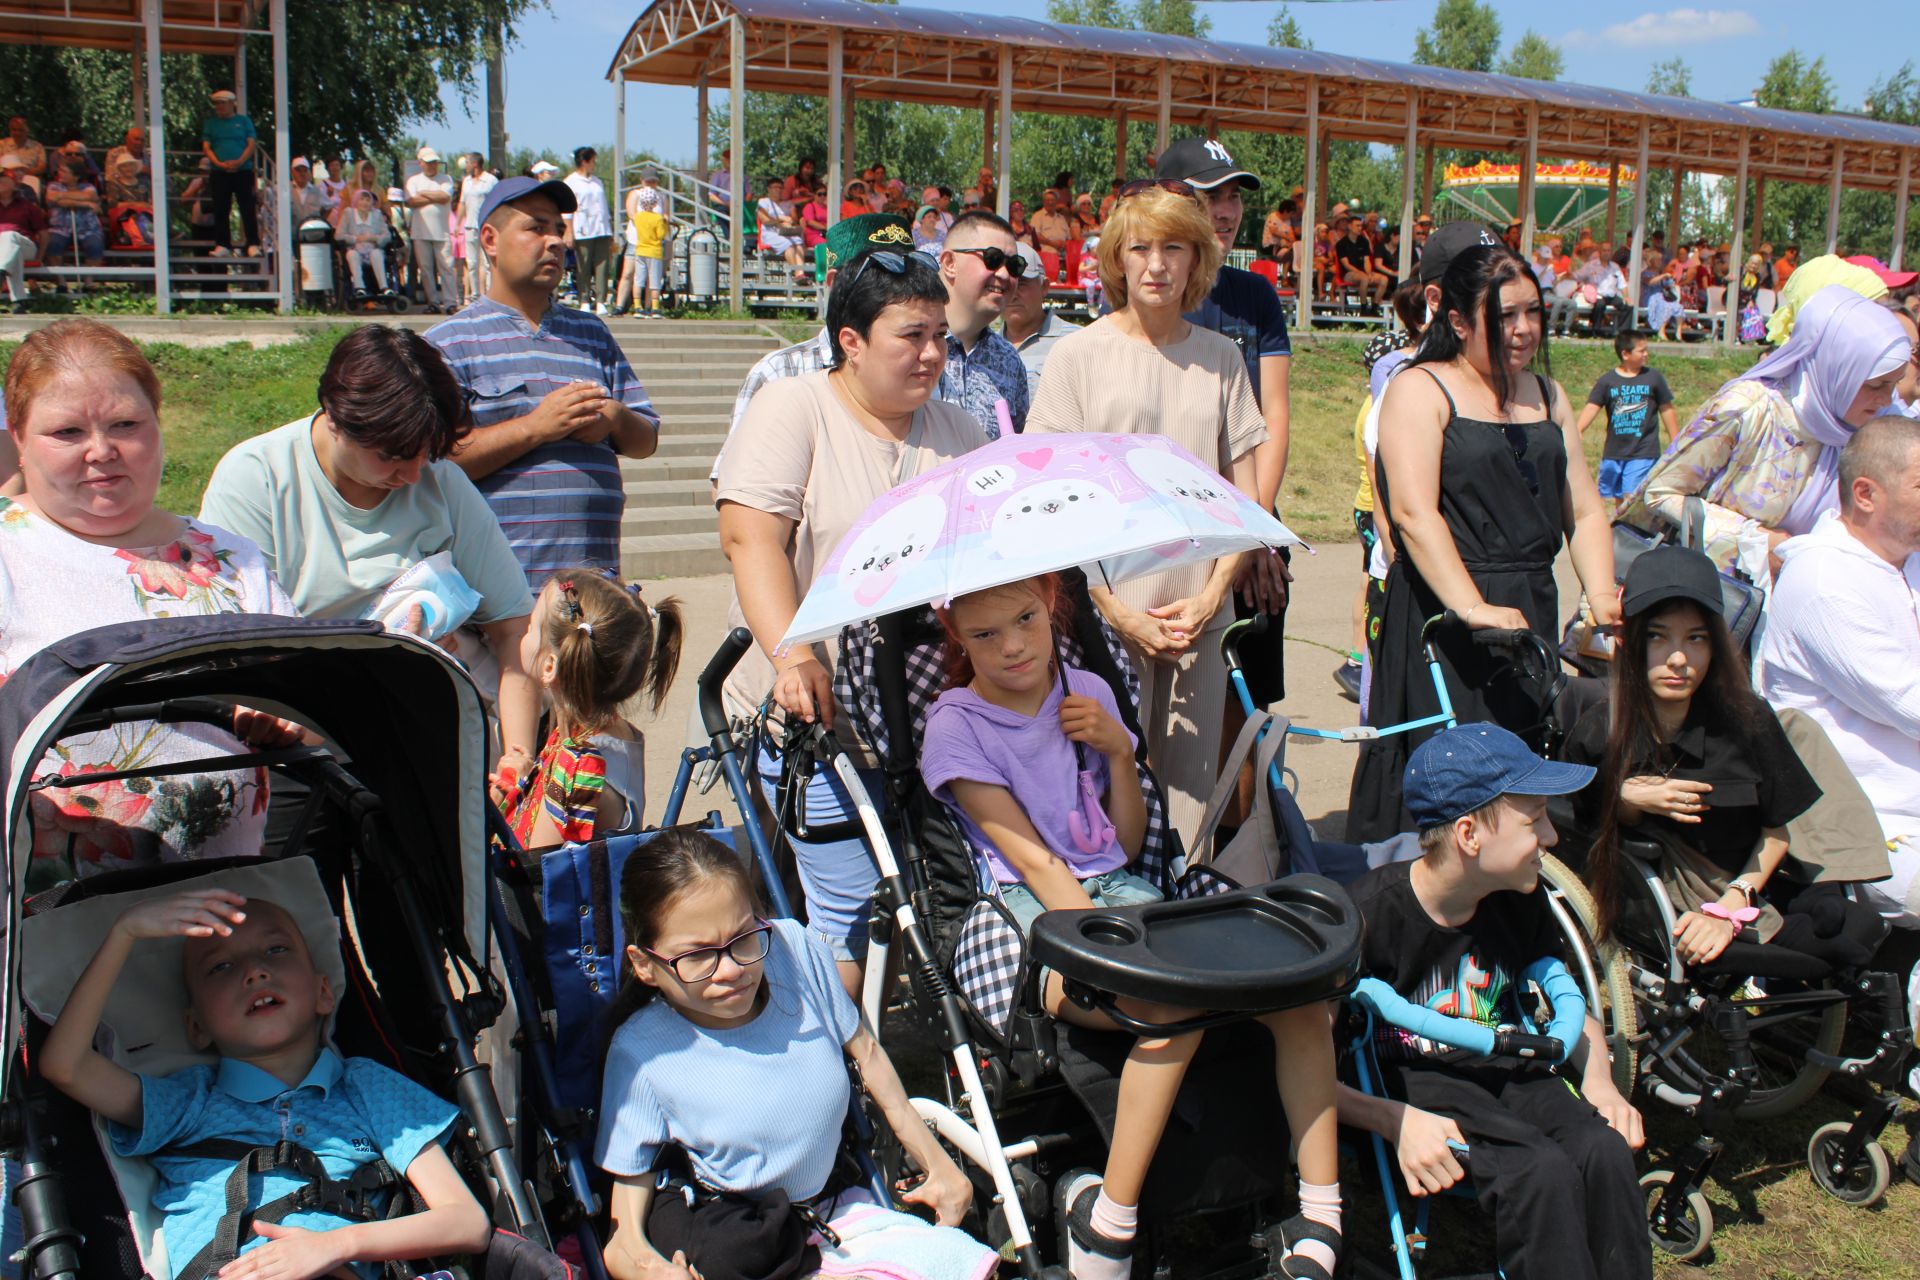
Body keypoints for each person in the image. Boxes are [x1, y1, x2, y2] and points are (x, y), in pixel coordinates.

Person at [922, 575, 1344, 1280]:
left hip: (1119, 886)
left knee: (1293, 996)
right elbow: (1034, 859)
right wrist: (1134, 955)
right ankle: (1108, 1228)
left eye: (1026, 619)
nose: (1013, 646)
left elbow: (1121, 842)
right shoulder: (953, 725)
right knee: (1169, 1002)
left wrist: (1119, 750)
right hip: (1032, 908)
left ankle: (1322, 1210)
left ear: (1050, 607)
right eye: (985, 635)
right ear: (958, 640)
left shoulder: (1085, 686)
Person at [716, 249, 987, 994]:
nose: (933, 353)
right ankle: (841, 1078)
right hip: (814, 717)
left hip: (928, 713)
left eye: (939, 333)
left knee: (928, 894)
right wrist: (793, 653)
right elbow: (751, 537)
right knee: (850, 907)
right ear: (851, 341)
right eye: (911, 335)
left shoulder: (959, 430)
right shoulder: (793, 406)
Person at [596, 830, 989, 1280]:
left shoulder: (792, 951)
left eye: (744, 937)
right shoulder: (642, 1053)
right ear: (644, 964)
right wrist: (651, 1270)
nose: (732, 970)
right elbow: (622, 1240)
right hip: (738, 1236)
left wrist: (938, 1165)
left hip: (835, 1206)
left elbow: (868, 1054)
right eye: (699, 956)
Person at [40, 888, 494, 1278]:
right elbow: (66, 1065)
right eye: (220, 967)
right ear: (196, 1027)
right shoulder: (188, 1100)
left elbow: (466, 1222)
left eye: (275, 950)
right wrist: (125, 933)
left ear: (322, 992)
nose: (254, 972)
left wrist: (335, 1245)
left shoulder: (365, 1087)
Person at [1336, 724, 1648, 1280]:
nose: (1551, 837)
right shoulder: (1367, 916)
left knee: (1602, 1150)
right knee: (1541, 1170)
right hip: (1411, 1077)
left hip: (1506, 1061)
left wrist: (1599, 1083)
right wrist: (1390, 1121)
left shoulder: (1517, 899)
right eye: (1536, 821)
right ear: (1469, 834)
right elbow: (1305, 1067)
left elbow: (1569, 1007)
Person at [1, 320, 299, 886]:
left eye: (125, 424)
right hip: (51, 924)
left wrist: (287, 715)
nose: (101, 451)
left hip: (222, 915)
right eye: (66, 432)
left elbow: (310, 692)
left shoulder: (232, 559)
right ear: (18, 438)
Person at [1346, 239, 1618, 842]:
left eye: (1532, 312)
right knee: (1448, 778)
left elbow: (1585, 507)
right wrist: (1472, 608)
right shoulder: (1421, 388)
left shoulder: (1549, 395)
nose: (1523, 330)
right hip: (1443, 613)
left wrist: (1602, 596)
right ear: (1459, 321)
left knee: (1522, 771)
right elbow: (1415, 516)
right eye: (1505, 317)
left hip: (1527, 604)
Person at [1026, 185, 1268, 849]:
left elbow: (1242, 503)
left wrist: (1213, 598)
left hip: (1200, 613)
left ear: (1197, 261)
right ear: (1116, 260)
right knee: (1102, 784)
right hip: (1102, 612)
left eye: (1174, 248)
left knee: (1191, 799)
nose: (1157, 264)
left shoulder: (1222, 359)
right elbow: (1048, 505)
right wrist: (1114, 610)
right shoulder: (1076, 358)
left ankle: (1183, 925)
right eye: (1141, 248)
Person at [197, 324, 539, 775]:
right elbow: (244, 649)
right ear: (335, 418)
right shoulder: (255, 479)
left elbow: (513, 628)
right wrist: (387, 663)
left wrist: (518, 756)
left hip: (432, 728)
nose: (413, 475)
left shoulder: (442, 484)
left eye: (427, 453)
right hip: (303, 742)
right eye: (392, 455)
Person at [1565, 547, 1886, 968]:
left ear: (1716, 646)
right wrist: (1627, 799)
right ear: (1629, 640)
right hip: (1660, 893)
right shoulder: (1599, 728)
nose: (1678, 659)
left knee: (1851, 931)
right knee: (1838, 942)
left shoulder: (1747, 721)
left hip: (1746, 882)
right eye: (1657, 637)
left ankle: (1813, 900)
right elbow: (1581, 819)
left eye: (1695, 639)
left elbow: (1778, 832)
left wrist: (1733, 904)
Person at [427, 175, 660, 586]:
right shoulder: (448, 344)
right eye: (536, 228)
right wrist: (535, 427)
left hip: (595, 593)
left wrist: (614, 417)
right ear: (490, 239)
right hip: (502, 603)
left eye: (558, 229)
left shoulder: (592, 333)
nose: (554, 241)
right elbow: (436, 464)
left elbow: (646, 440)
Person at [1757, 415, 1920, 930]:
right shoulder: (1826, 579)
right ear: (1866, 494)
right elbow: (1911, 700)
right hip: (1865, 825)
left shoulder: (1903, 561)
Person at [1616, 284, 1907, 571]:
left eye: (1893, 385)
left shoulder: (1867, 429)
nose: (1885, 400)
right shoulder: (1749, 409)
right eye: (1875, 386)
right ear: (1837, 370)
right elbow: (1661, 493)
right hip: (1723, 602)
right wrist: (1756, 543)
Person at [713, 213, 916, 482]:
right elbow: (730, 483)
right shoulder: (781, 372)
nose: (899, 291)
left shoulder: (930, 368)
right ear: (835, 283)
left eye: (911, 275)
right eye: (881, 275)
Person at [498, 572, 682, 849]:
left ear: (550, 666)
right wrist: (526, 780)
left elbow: (535, 872)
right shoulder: (612, 734)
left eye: (531, 628)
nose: (524, 632)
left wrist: (498, 807)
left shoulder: (576, 769)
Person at [935, 210, 1032, 440]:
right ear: (950, 263)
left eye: (1014, 265)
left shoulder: (1009, 359)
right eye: (992, 259)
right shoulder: (912, 343)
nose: (1004, 274)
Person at [1576, 329, 1677, 511]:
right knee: (1617, 495)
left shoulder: (1653, 378)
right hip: (1614, 452)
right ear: (1625, 354)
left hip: (1643, 450)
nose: (1646, 354)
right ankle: (1620, 532)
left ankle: (1631, 531)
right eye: (1641, 350)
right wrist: (1578, 429)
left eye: (1646, 350)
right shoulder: (1608, 381)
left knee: (1631, 494)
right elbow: (1592, 406)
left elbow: (1667, 409)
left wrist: (1676, 439)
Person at [999, 241, 1082, 399]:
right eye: (1005, 285)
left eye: (1021, 284)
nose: (1013, 294)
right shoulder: (985, 347)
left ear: (1044, 287)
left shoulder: (1077, 341)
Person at [199, 88, 260, 254]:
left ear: (232, 104)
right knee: (220, 207)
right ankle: (223, 244)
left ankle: (253, 243)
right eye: (217, 103)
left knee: (247, 206)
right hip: (219, 171)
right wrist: (218, 162)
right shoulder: (211, 123)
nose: (219, 106)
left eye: (222, 103)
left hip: (243, 170)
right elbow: (206, 147)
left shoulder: (244, 121)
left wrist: (239, 161)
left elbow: (251, 144)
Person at [563, 147, 617, 313]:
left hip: (601, 229)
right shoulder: (570, 182)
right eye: (593, 161)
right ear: (584, 162)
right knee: (583, 266)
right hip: (583, 229)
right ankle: (584, 299)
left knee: (602, 265)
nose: (595, 164)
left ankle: (601, 301)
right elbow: (566, 210)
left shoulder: (597, 181)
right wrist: (568, 231)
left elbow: (603, 207)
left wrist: (610, 231)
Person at [405, 146, 457, 312]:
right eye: (428, 163)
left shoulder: (446, 178)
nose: (432, 165)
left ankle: (450, 302)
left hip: (442, 231)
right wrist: (434, 195)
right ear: (421, 163)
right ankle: (433, 302)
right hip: (420, 231)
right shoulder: (413, 181)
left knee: (447, 267)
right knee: (426, 269)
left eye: (434, 162)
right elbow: (412, 201)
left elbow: (444, 197)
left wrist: (424, 193)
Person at [619, 173, 669, 319]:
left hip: (651, 244)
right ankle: (621, 305)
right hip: (637, 241)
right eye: (648, 180)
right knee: (629, 273)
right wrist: (655, 223)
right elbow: (631, 213)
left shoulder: (662, 197)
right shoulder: (635, 194)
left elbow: (666, 215)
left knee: (647, 278)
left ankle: (645, 306)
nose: (651, 183)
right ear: (641, 180)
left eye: (653, 181)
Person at [42, 157, 106, 266]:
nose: (59, 173)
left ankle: (89, 281)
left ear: (76, 176)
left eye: (64, 171)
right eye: (60, 170)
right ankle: (61, 281)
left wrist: (61, 195)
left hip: (88, 228)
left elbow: (90, 195)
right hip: (60, 228)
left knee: (95, 246)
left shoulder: (88, 187)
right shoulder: (53, 186)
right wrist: (86, 204)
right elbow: (55, 200)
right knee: (53, 244)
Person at [0, 169, 47, 313]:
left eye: (3, 179)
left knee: (10, 236)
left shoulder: (27, 206)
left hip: (26, 244)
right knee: (14, 252)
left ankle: (1, 270)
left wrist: (40, 257)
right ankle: (19, 301)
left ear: (14, 185)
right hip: (6, 250)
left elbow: (44, 233)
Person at [335, 187, 393, 298]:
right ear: (356, 200)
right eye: (362, 199)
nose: (365, 203)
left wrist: (374, 238)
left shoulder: (376, 214)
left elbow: (387, 235)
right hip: (355, 249)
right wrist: (356, 239)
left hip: (373, 249)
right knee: (352, 255)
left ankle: (384, 288)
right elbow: (338, 235)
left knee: (376, 254)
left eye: (368, 200)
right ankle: (359, 288)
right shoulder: (349, 213)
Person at [458, 151, 500, 302]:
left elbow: (497, 202)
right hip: (470, 226)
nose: (466, 166)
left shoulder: (490, 181)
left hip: (486, 225)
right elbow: (462, 203)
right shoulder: (467, 182)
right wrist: (458, 224)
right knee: (472, 262)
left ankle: (490, 294)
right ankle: (474, 295)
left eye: (468, 163)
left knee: (488, 263)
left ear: (475, 164)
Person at [755, 176, 809, 282]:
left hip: (787, 232)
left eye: (780, 188)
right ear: (769, 189)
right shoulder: (764, 202)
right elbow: (765, 220)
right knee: (788, 244)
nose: (778, 190)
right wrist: (781, 219)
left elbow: (793, 219)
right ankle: (798, 273)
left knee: (798, 242)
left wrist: (787, 221)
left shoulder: (788, 203)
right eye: (775, 187)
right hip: (771, 233)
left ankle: (800, 273)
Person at [1334, 215, 1388, 307]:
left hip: (1363, 272)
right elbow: (1346, 264)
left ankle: (1374, 306)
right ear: (1350, 226)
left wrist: (1369, 272)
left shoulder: (1364, 241)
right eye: (1357, 226)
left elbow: (1366, 260)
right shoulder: (1341, 244)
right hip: (1349, 273)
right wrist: (1361, 273)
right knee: (1364, 279)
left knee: (1384, 279)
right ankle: (1363, 305)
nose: (1360, 228)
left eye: (1361, 226)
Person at [1030, 188, 1075, 273]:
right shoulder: (1037, 216)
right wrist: (1052, 243)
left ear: (1056, 202)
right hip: (1046, 255)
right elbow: (1035, 236)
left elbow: (1069, 238)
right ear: (1043, 202)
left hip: (1064, 256)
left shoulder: (1061, 218)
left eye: (1052, 200)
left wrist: (1065, 244)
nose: (1050, 202)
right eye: (1047, 200)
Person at [0, 116, 46, 197]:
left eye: (21, 130)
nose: (17, 133)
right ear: (10, 131)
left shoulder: (37, 147)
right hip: (4, 180)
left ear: (27, 130)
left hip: (29, 180)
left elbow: (42, 167)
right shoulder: (2, 144)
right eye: (14, 130)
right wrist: (10, 173)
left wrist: (23, 172)